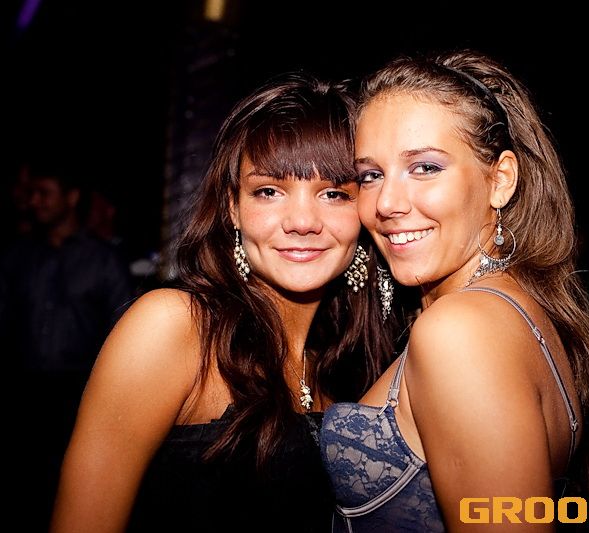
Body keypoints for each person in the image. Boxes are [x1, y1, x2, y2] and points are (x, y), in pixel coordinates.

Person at [50, 71, 396, 533]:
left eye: (334, 194)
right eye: (269, 191)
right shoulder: (175, 326)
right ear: (233, 206)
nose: (302, 221)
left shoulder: (357, 360)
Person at [320, 49, 589, 532]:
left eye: (425, 167)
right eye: (371, 175)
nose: (387, 202)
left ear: (500, 180)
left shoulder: (461, 329)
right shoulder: (519, 309)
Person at [0, 156, 135, 531]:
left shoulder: (104, 261)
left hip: (77, 397)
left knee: (65, 493)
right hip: (17, 396)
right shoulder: (17, 256)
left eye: (44, 193)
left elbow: (124, 337)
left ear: (71, 197)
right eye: (32, 194)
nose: (35, 202)